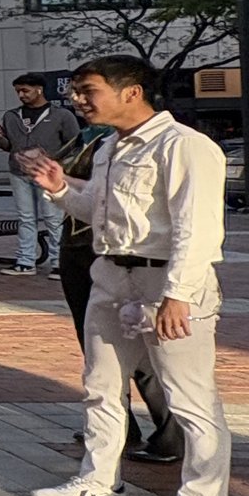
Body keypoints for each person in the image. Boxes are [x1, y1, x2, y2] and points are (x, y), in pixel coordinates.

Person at [16, 54, 233, 496]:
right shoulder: (112, 147)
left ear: (131, 91)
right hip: (113, 275)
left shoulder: (185, 147)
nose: (79, 100)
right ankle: (99, 479)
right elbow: (100, 209)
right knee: (101, 385)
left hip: (166, 282)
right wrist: (59, 188)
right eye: (76, 90)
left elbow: (196, 229)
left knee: (191, 399)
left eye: (88, 90)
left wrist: (178, 294)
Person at [56, 124, 178, 463]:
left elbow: (107, 197)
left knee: (138, 346)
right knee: (98, 345)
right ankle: (119, 426)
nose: (80, 100)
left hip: (118, 252)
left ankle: (171, 432)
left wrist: (61, 181)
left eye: (89, 91)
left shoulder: (147, 143)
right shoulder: (94, 140)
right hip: (81, 245)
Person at [0, 73, 81, 275]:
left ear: (39, 89)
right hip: (19, 171)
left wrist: (58, 163)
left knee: (53, 217)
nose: (21, 95)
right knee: (26, 217)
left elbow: (74, 144)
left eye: (25, 90)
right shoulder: (12, 116)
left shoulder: (61, 115)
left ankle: (59, 263)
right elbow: (8, 145)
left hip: (48, 172)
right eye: (18, 91)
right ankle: (25, 261)